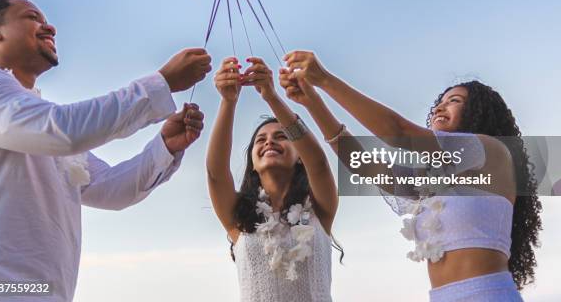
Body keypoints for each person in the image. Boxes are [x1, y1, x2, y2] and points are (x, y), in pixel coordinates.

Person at [0, 0, 212, 301]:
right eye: (33, 17)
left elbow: (109, 188)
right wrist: (161, 83)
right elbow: (65, 130)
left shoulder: (36, 117)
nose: (50, 28)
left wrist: (165, 146)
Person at [279, 50, 542, 301]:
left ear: (479, 113)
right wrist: (311, 102)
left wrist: (325, 79)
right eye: (438, 103)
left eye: (454, 101)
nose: (440, 108)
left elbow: (397, 131)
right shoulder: (432, 182)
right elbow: (364, 165)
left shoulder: (488, 150)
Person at [206, 56, 339, 302]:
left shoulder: (320, 208)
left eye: (281, 136)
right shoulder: (238, 217)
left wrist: (272, 97)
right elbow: (216, 172)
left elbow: (319, 164)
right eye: (261, 140)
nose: (269, 141)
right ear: (253, 165)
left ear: (300, 156)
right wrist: (228, 101)